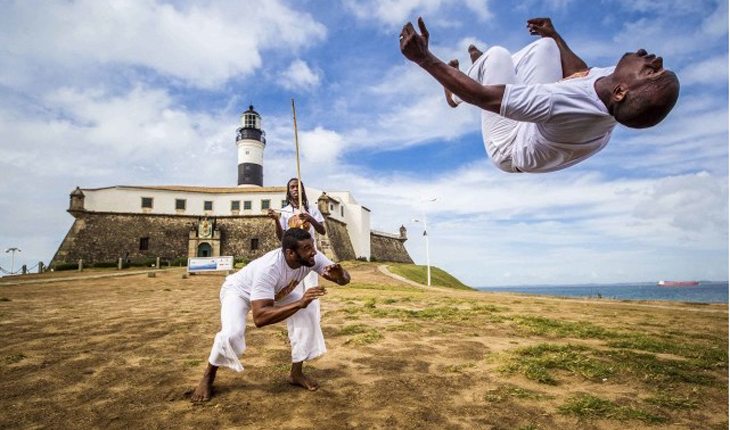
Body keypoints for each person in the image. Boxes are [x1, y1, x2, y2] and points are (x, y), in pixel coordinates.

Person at [399, 17, 680, 173]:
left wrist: (424, 58)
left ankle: (456, 92)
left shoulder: (565, 106)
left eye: (652, 72)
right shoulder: (613, 88)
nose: (655, 60)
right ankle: (481, 68)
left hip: (509, 149)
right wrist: (555, 35)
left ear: (620, 92)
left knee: (497, 56)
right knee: (547, 48)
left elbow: (485, 98)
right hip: (541, 131)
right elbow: (580, 74)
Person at [190, 228, 350, 402]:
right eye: (306, 248)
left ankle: (296, 374)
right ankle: (208, 375)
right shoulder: (269, 268)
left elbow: (345, 279)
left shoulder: (312, 257)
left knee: (308, 311)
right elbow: (260, 318)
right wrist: (299, 302)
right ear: (290, 253)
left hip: (277, 292)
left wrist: (340, 276)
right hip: (239, 292)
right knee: (232, 333)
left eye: (312, 245)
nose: (313, 252)